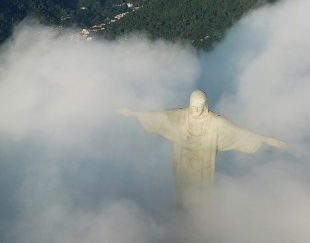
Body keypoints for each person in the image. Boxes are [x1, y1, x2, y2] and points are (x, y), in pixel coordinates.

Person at [118, 89, 286, 209]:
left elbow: (237, 131)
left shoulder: (215, 122)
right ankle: (182, 212)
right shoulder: (180, 116)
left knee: (200, 195)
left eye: (199, 107)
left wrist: (264, 139)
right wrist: (134, 113)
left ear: (205, 105)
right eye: (193, 107)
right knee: (183, 191)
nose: (196, 111)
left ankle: (200, 218)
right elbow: (160, 117)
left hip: (203, 165)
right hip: (184, 160)